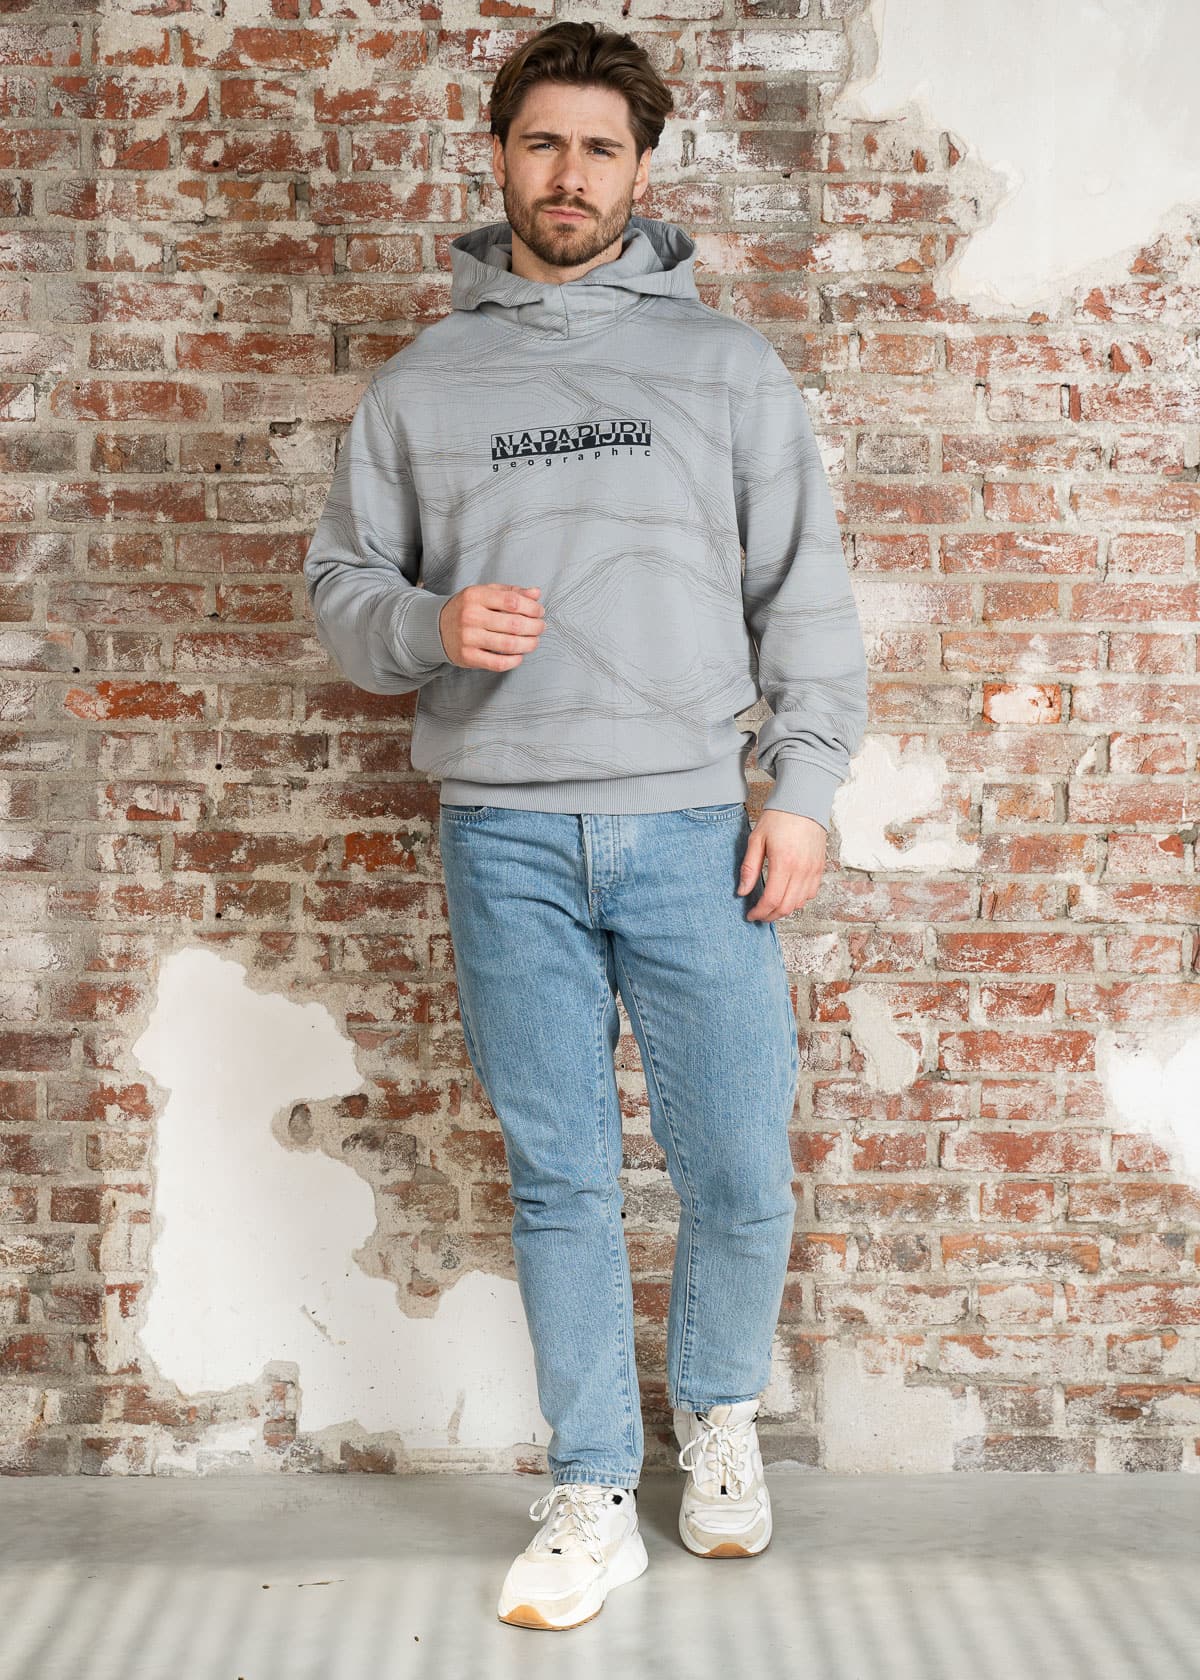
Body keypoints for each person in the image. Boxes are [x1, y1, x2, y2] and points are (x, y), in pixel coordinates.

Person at [303, 19, 869, 1633]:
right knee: (563, 1174)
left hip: (694, 825)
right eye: (543, 142)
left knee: (736, 1159)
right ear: (500, 156)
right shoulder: (424, 383)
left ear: (643, 170)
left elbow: (803, 595)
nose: (570, 174)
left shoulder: (726, 368)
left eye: (600, 149)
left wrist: (803, 794)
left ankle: (720, 1418)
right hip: (504, 836)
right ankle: (594, 1488)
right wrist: (428, 625)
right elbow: (343, 591)